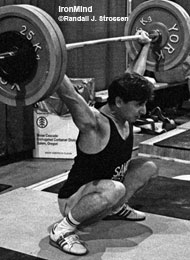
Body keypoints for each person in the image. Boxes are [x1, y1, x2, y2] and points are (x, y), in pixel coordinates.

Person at [49, 30, 158, 256]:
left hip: (105, 189)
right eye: (139, 105)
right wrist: (51, 58)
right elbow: (69, 95)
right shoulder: (95, 124)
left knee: (148, 167)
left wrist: (146, 45)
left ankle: (114, 208)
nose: (144, 111)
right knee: (116, 188)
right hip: (74, 198)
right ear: (118, 101)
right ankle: (63, 230)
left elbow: (134, 78)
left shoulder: (124, 110)